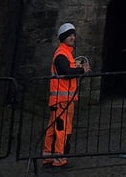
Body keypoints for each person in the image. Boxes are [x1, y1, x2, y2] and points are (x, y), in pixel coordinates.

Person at [43, 23, 90, 167]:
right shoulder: (61, 54)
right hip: (62, 100)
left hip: (62, 99)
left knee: (54, 128)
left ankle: (48, 155)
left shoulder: (65, 53)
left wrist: (78, 68)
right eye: (69, 35)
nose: (72, 37)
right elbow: (66, 72)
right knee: (61, 128)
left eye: (73, 35)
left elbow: (67, 69)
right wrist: (81, 70)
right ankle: (59, 158)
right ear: (63, 37)